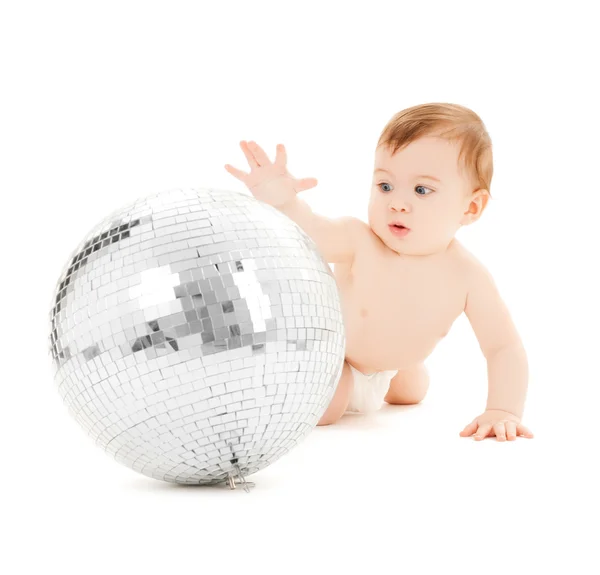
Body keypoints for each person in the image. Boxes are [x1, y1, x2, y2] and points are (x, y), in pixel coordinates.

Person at [224, 102, 534, 442]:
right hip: (339, 361)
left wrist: (503, 409)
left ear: (471, 207)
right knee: (328, 409)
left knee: (411, 392)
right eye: (385, 186)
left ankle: (399, 371)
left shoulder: (468, 275)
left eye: (421, 190)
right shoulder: (358, 240)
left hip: (395, 370)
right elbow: (308, 231)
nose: (397, 203)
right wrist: (282, 200)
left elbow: (503, 346)